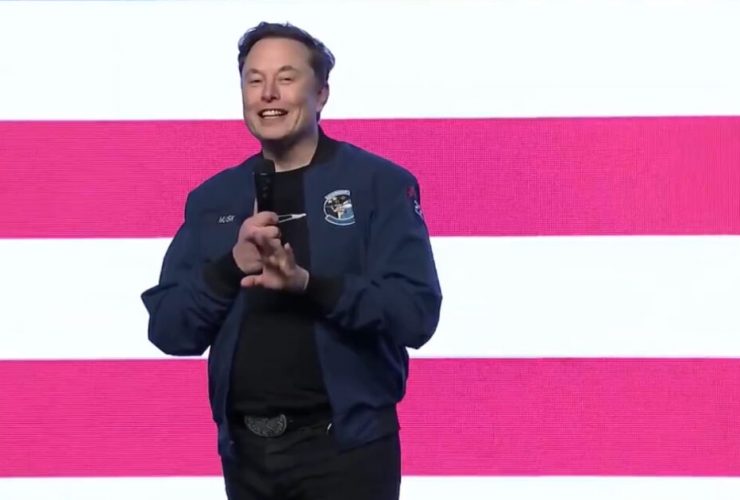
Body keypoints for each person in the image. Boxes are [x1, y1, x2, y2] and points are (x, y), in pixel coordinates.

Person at [141, 21, 442, 500]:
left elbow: (415, 314)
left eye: (286, 78)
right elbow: (170, 329)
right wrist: (230, 267)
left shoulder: (379, 185)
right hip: (246, 457)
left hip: (347, 454)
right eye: (254, 80)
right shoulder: (212, 199)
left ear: (321, 94)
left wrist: (308, 285)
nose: (268, 94)